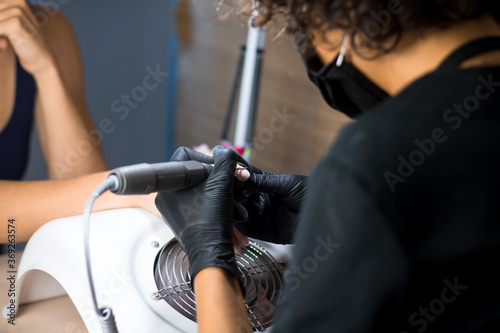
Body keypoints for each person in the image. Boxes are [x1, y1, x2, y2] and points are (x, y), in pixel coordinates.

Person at [155, 0, 500, 332]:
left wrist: (207, 255)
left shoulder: (375, 156)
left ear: (338, 10)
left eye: (302, 28)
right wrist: (343, 221)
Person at [0, 1, 159, 243]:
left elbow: (86, 201)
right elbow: (96, 198)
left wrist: (45, 68)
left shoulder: (47, 28)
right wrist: (126, 194)